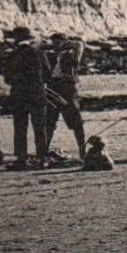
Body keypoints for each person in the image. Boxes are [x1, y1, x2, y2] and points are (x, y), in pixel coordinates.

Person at [2, 25, 49, 168]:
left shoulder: (12, 55)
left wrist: (18, 82)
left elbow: (7, 78)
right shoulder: (39, 53)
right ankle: (42, 158)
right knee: (40, 127)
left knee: (20, 128)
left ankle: (21, 158)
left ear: (16, 40)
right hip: (37, 94)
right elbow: (47, 74)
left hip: (19, 95)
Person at [43, 33, 87, 161]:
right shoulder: (48, 55)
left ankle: (82, 149)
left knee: (76, 121)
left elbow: (79, 44)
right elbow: (37, 47)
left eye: (59, 41)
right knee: (49, 121)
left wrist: (66, 44)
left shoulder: (72, 55)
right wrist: (51, 45)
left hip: (68, 89)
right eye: (54, 41)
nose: (56, 44)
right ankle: (44, 151)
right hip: (53, 87)